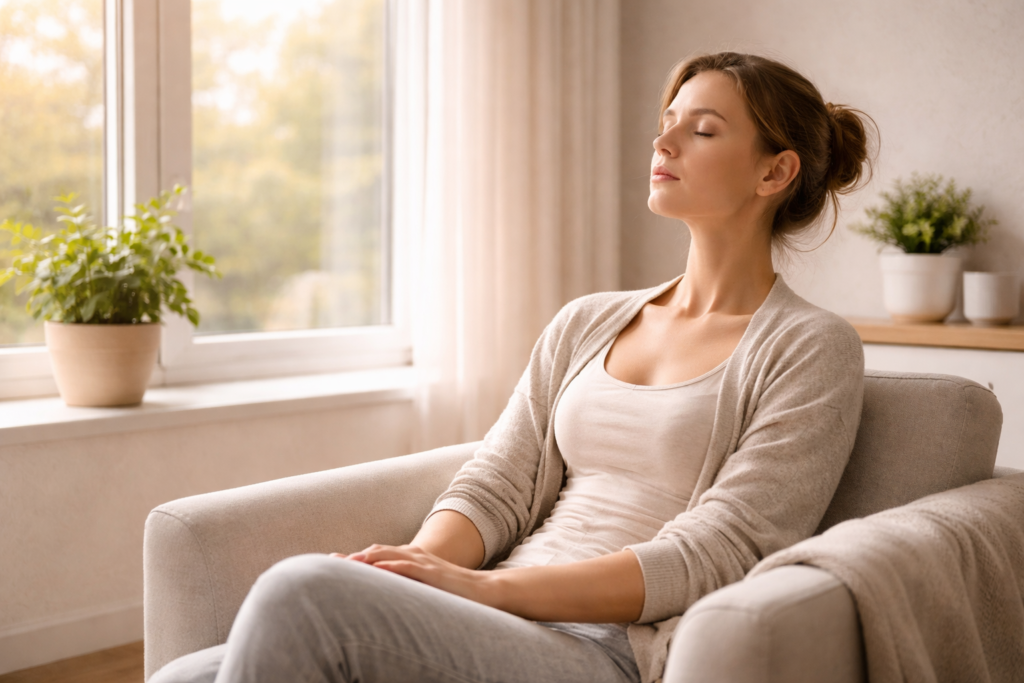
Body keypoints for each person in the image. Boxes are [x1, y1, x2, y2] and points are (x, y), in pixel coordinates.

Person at [152, 51, 875, 683]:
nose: (664, 140)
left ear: (776, 171)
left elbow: (720, 550)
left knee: (301, 592)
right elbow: (497, 481)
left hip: (606, 648)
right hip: (488, 612)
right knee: (188, 673)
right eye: (669, 119)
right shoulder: (588, 320)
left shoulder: (811, 347)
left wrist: (481, 591)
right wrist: (415, 571)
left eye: (703, 129)